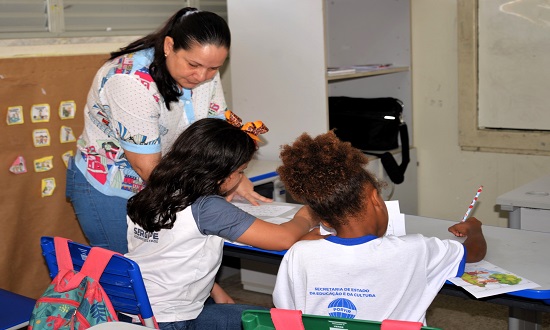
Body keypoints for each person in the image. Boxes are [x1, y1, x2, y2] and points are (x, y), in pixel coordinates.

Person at [66, 7, 269, 255]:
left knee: (168, 267)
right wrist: (211, 199)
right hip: (113, 185)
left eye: (214, 68)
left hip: (170, 183)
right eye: (194, 64)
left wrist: (234, 176)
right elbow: (147, 167)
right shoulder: (130, 80)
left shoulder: (203, 71)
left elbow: (215, 133)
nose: (203, 76)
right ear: (169, 46)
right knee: (129, 272)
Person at [125, 117, 322, 330]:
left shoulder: (148, 195)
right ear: (220, 174)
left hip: (136, 309)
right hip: (172, 320)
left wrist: (215, 290)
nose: (240, 178)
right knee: (280, 323)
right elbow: (282, 239)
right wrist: (307, 216)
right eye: (240, 172)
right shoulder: (207, 207)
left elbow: (167, 259)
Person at [272, 131, 487, 324]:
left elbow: (287, 315)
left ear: (324, 220)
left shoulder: (299, 253)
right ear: (375, 200)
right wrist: (474, 228)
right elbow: (475, 253)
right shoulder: (417, 250)